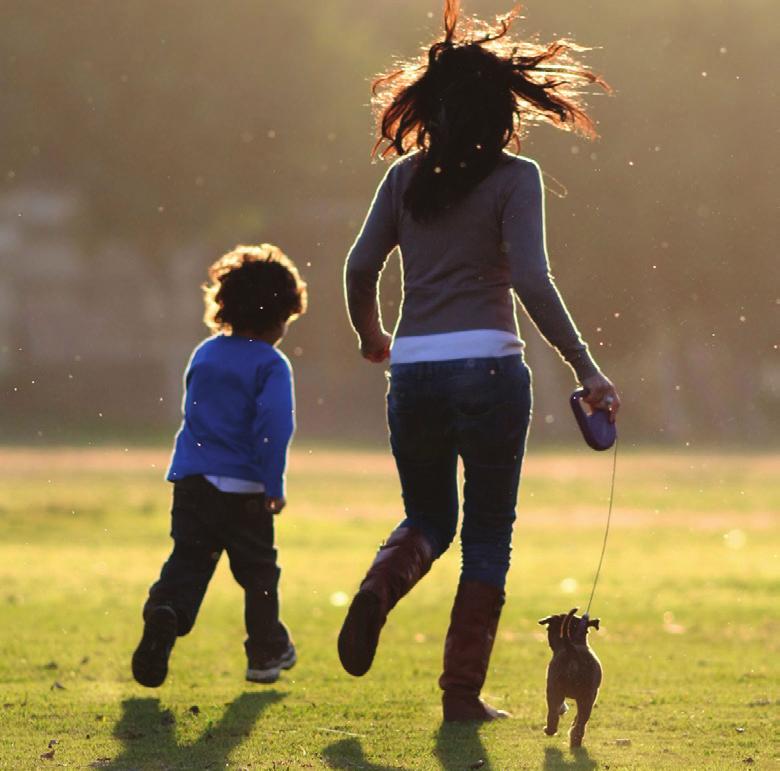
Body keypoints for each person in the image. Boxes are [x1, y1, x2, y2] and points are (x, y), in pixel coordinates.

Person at [337, 0, 621, 722]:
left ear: (430, 109)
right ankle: (461, 694)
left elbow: (359, 265)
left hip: (416, 370)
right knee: (488, 532)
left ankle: (377, 588)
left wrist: (374, 337)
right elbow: (530, 279)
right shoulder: (515, 179)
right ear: (501, 112)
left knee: (429, 514)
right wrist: (586, 366)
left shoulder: (403, 180)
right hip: (491, 370)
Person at [132, 244, 307, 688]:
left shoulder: (205, 354)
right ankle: (265, 653)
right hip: (245, 489)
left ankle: (166, 612)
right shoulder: (272, 364)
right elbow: (273, 428)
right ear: (280, 315)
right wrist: (274, 482)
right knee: (258, 575)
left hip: (193, 483)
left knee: (189, 559)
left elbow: (193, 412)